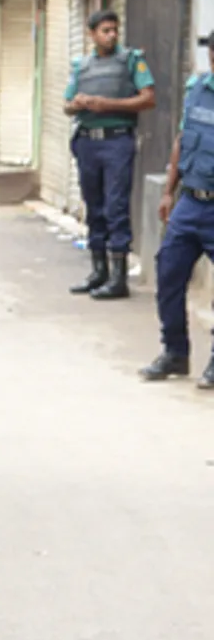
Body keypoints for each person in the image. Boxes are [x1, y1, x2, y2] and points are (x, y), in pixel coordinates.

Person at [65, 8, 156, 300]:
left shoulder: (131, 60)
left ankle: (118, 278)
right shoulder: (81, 65)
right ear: (92, 34)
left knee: (115, 206)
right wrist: (79, 103)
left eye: (114, 29)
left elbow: (148, 98)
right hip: (88, 141)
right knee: (94, 206)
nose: (112, 35)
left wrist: (109, 104)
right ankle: (98, 270)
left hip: (117, 141)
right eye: (105, 31)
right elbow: (66, 105)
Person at [140, 32, 214, 387]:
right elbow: (182, 141)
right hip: (190, 203)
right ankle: (175, 352)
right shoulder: (197, 89)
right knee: (168, 273)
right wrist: (168, 192)